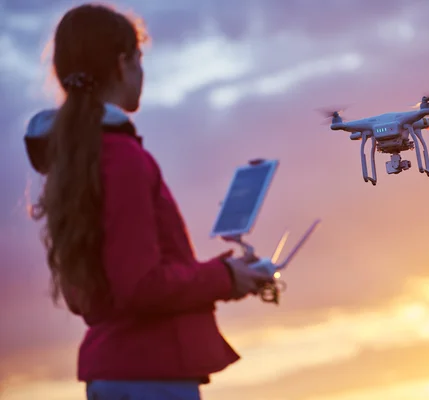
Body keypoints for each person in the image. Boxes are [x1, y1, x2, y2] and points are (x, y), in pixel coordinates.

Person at [24, 4, 274, 400]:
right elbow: (139, 285)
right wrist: (225, 278)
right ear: (123, 64)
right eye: (140, 60)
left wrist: (222, 273)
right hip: (150, 376)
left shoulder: (73, 160)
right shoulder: (121, 158)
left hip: (115, 372)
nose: (142, 72)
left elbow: (100, 288)